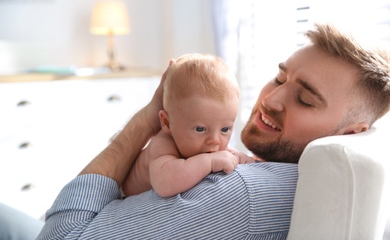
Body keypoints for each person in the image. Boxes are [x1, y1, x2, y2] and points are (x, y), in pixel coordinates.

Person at [37, 23, 390, 239]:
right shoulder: (293, 176)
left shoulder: (244, 194)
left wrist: (148, 116)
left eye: (304, 99)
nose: (271, 98)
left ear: (349, 132)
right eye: (280, 78)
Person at [122, 53, 254, 197]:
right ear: (167, 123)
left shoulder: (205, 142)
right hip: (123, 200)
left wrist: (239, 157)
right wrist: (209, 162)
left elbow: (225, 152)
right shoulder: (162, 145)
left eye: (224, 129)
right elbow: (165, 185)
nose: (215, 140)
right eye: (200, 129)